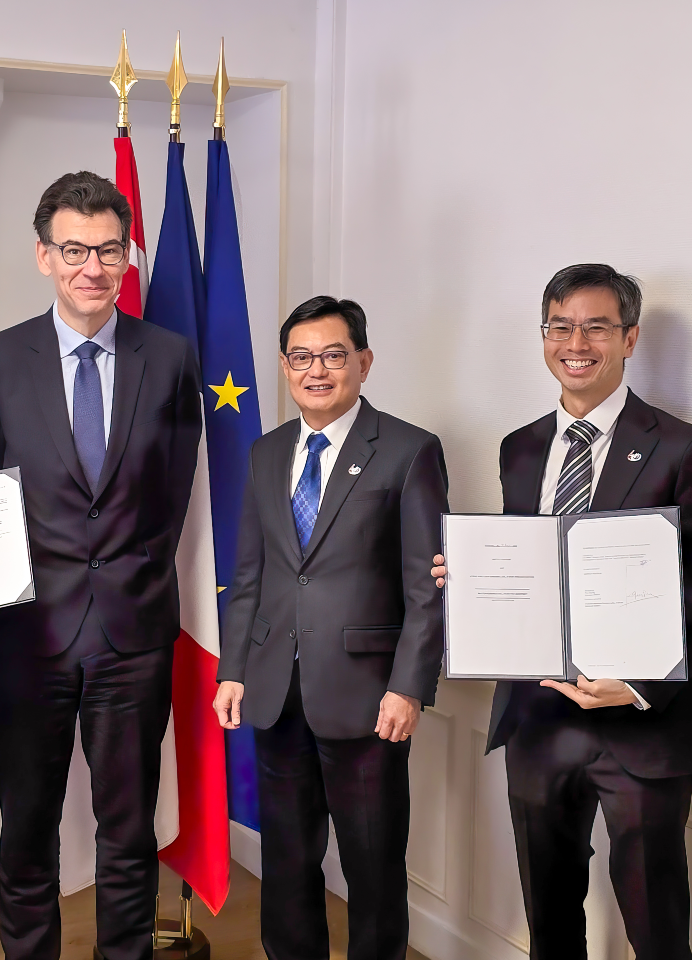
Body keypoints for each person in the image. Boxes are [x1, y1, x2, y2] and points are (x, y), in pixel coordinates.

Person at [0, 171, 201, 960]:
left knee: (128, 829)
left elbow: (171, 496)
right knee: (28, 827)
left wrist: (128, 577)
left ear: (128, 256)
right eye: (74, 249)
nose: (92, 267)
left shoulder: (170, 357)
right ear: (43, 256)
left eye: (109, 250)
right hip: (26, 631)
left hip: (133, 633)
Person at [431, 264, 692, 960]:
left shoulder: (684, 447)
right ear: (544, 337)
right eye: (561, 327)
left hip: (641, 727)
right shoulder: (522, 446)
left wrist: (638, 685)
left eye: (596, 327)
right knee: (550, 928)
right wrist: (470, 577)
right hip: (539, 720)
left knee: (657, 932)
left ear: (629, 338)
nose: (577, 342)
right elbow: (527, 566)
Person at [212, 296, 449, 960]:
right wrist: (233, 667)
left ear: (363, 362)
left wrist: (409, 687)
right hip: (276, 692)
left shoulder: (409, 451)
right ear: (286, 367)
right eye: (302, 357)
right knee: (287, 865)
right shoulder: (266, 454)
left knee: (374, 872)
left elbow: (424, 588)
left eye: (334, 355)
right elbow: (251, 575)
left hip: (370, 700)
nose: (318, 370)